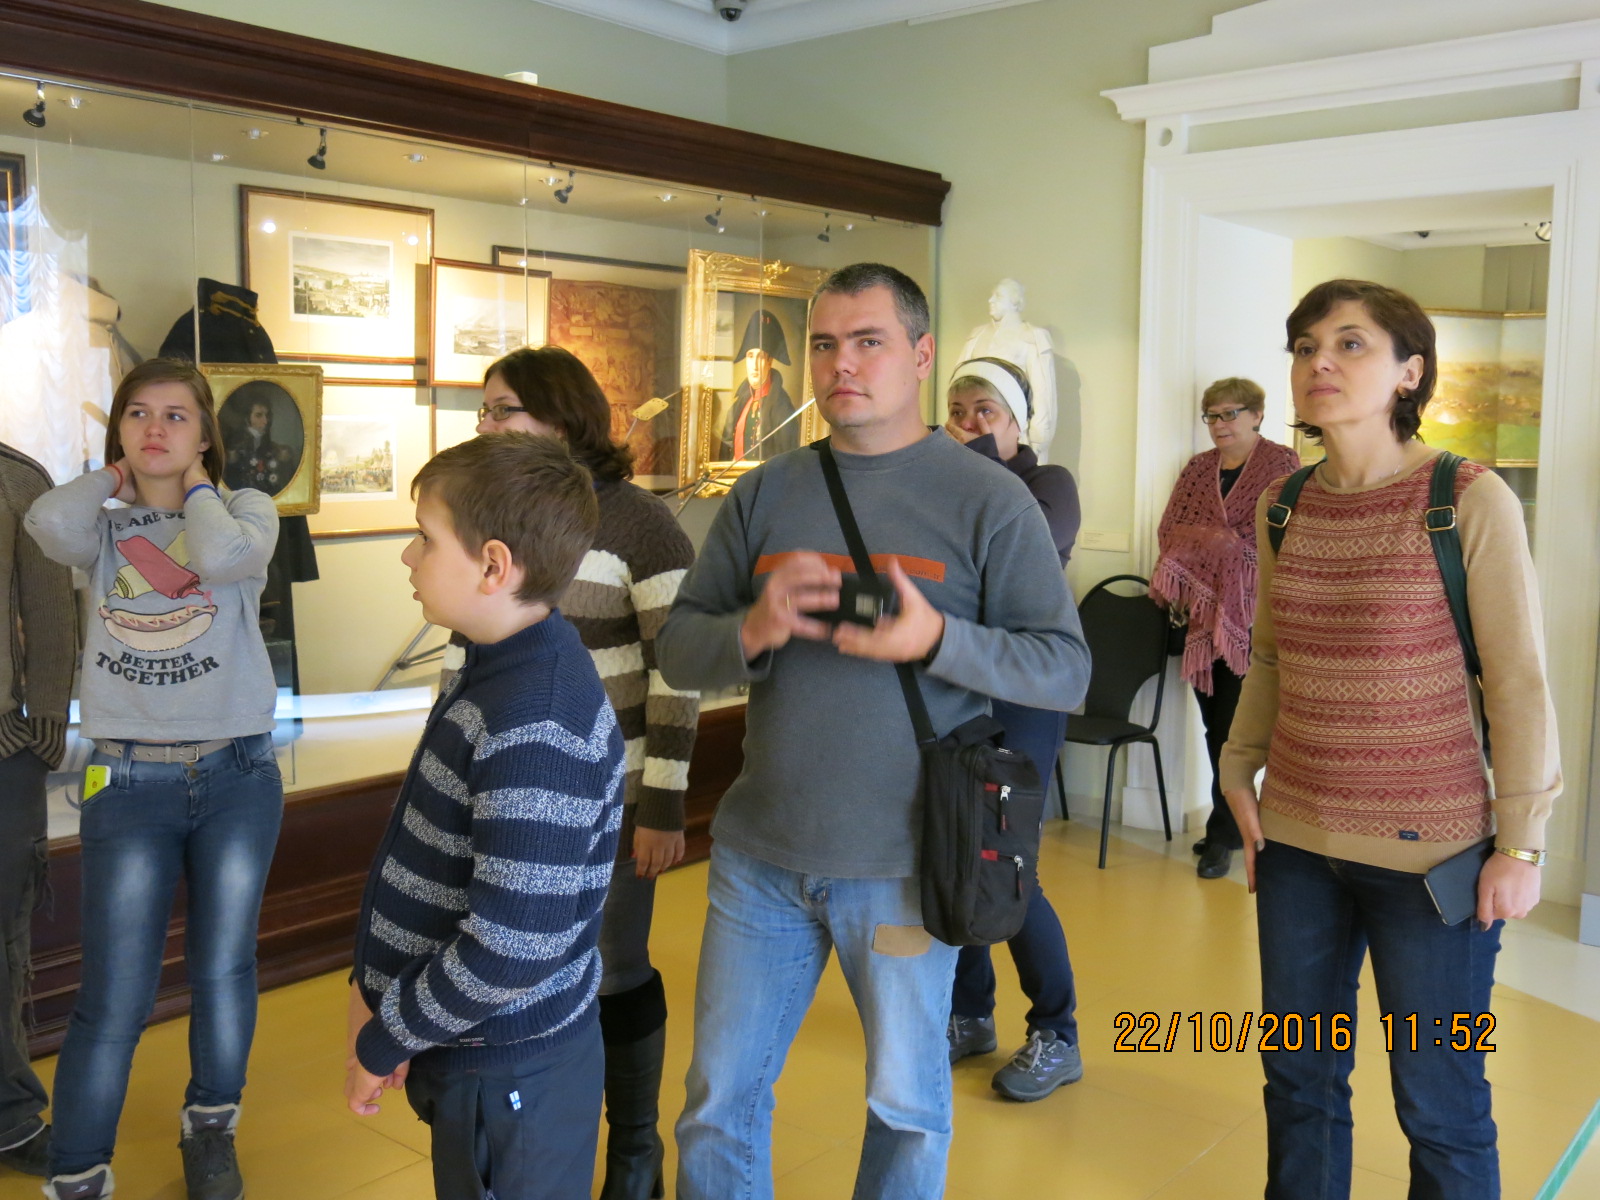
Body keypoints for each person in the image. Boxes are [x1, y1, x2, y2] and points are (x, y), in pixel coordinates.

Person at [659, 262, 1091, 1199]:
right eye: (824, 344)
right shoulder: (764, 494)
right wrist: (754, 627)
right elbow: (681, 651)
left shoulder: (989, 500)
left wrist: (935, 638)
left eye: (869, 342)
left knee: (906, 1110)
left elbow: (1064, 666)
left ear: (922, 355)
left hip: (903, 865)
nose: (841, 365)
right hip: (759, 857)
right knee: (717, 1103)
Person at [1220, 279, 1561, 1199]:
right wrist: (1237, 769)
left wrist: (1523, 842)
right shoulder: (1284, 503)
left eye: (1350, 344)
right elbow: (1272, 656)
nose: (1319, 362)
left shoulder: (1467, 499)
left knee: (1441, 1101)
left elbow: (1518, 680)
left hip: (1433, 861)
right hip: (1297, 849)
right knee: (1298, 1081)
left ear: (1410, 372)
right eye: (1304, 347)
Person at [26, 359, 283, 1200]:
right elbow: (43, 518)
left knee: (223, 970)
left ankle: (211, 1125)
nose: (155, 429)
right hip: (128, 779)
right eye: (138, 414)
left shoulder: (246, 512)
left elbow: (217, 554)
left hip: (238, 773)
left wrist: (195, 484)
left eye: (177, 415)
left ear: (206, 433)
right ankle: (78, 1173)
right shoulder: (100, 530)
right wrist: (116, 477)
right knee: (113, 994)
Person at [345, 432, 624, 1200]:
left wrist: (388, 1034)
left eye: (425, 539)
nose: (409, 557)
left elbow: (510, 947)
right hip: (472, 1046)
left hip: (508, 1073)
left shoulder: (536, 723)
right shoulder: (496, 667)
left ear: (494, 566)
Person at [473, 345, 700, 1199]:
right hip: (510, 795)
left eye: (503, 410)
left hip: (611, 799)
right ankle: (541, 1150)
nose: (486, 425)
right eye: (485, 410)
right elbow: (471, 653)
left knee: (614, 968)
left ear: (562, 420)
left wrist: (664, 805)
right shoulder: (498, 514)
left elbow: (679, 671)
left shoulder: (640, 524)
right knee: (520, 972)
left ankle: (635, 1153)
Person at [939, 359, 1086, 1101]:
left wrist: (962, 460)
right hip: (955, 692)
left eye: (985, 412)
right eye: (957, 410)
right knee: (953, 852)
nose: (968, 423)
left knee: (1006, 861)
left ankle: (1058, 1032)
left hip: (1025, 696)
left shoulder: (1047, 484)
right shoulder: (942, 480)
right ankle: (970, 1014)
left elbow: (1007, 556)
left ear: (1019, 425)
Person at [1149, 378, 1299, 879]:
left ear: (1257, 415)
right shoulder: (1198, 470)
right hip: (1202, 620)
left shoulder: (1281, 466)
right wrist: (1222, 546)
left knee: (1237, 731)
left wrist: (1224, 547)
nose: (1219, 424)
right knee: (1214, 727)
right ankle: (1230, 824)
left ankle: (1224, 832)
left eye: (1230, 414)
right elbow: (1172, 531)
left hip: (1255, 622)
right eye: (1212, 416)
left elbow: (1285, 536)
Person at [0, 442, 75, 1180]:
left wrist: (43, 725)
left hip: (2, 753)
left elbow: (50, 613)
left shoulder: (15, 480)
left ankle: (9, 1115)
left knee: (3, 942)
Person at [717, 308, 799, 461]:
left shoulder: (783, 409)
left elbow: (787, 460)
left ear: (769, 361)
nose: (754, 365)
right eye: (750, 356)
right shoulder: (738, 405)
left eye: (760, 357)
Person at [221, 388, 298, 496]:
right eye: (258, 415)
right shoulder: (234, 446)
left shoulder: (273, 447)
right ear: (247, 418)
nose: (265, 421)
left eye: (267, 415)